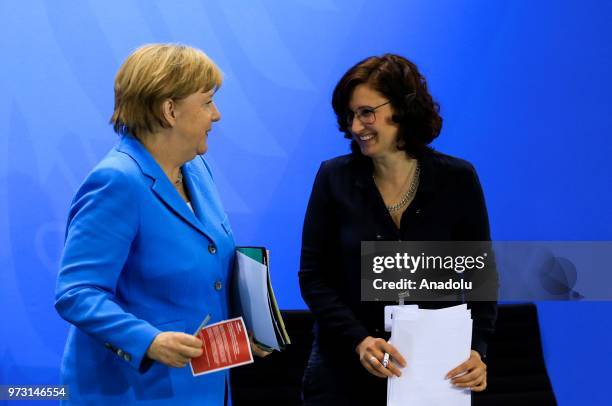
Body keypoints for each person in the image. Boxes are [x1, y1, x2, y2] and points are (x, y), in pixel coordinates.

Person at [55, 44, 267, 405]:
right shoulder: (117, 182)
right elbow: (77, 293)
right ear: (169, 110)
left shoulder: (195, 168)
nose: (216, 115)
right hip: (134, 393)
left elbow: (209, 271)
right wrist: (148, 341)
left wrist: (247, 329)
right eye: (207, 102)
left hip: (203, 387)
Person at [299, 54, 498, 405]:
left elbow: (480, 279)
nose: (357, 127)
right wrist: (359, 340)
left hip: (432, 377)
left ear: (402, 108)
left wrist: (477, 351)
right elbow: (314, 277)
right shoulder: (333, 178)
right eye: (350, 116)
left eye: (366, 112)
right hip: (343, 373)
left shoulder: (457, 179)